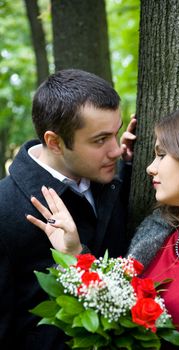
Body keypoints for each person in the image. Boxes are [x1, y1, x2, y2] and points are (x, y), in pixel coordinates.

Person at [32, 100, 179, 350]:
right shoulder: (157, 230)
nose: (150, 168)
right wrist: (73, 254)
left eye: (161, 155)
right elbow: (114, 315)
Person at [0, 69, 136, 349]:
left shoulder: (111, 179)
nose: (115, 150)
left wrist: (132, 169)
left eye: (116, 133)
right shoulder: (5, 208)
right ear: (55, 142)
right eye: (100, 140)